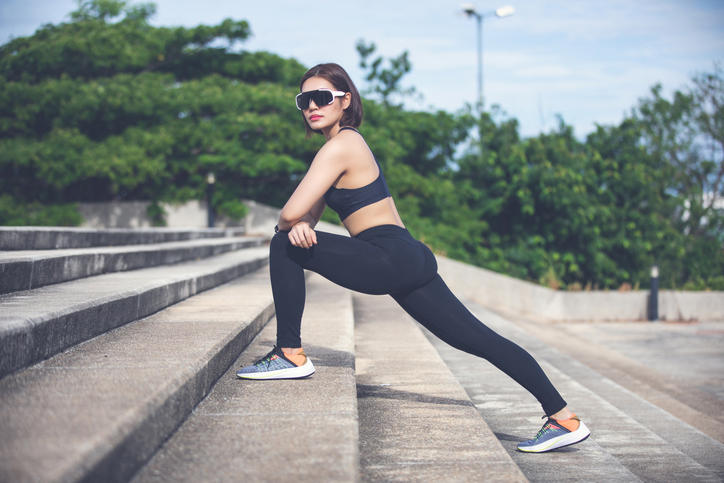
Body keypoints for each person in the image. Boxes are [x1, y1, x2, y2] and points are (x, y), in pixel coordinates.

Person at [236, 63, 590, 453]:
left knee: (281, 244)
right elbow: (303, 215)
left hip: (385, 254)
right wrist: (300, 224)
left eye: (322, 98)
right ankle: (563, 417)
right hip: (405, 255)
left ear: (345, 100)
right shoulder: (341, 148)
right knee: (476, 338)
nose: (312, 107)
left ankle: (289, 352)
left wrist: (294, 225)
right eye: (305, 100)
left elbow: (287, 215)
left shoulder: (343, 144)